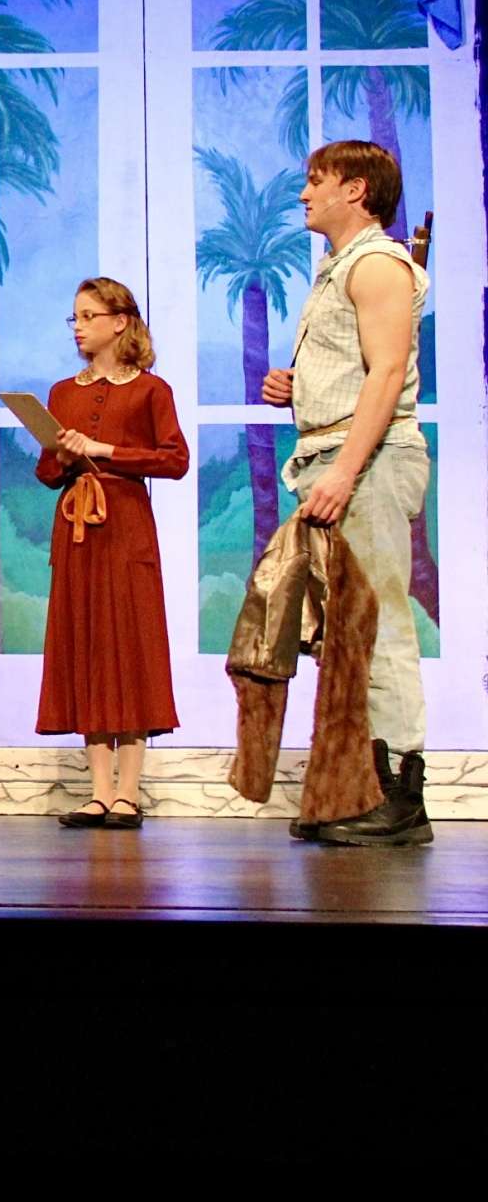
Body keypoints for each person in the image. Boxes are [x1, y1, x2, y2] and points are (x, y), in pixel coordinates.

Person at [260, 140, 432, 846]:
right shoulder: (340, 270)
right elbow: (356, 366)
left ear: (356, 189)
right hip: (334, 452)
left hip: (367, 460)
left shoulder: (379, 265)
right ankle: (358, 786)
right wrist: (296, 388)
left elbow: (388, 374)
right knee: (346, 634)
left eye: (315, 181)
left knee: (380, 620)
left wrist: (344, 469)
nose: (304, 194)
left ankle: (399, 796)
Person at [36, 276, 189, 830]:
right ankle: (98, 790)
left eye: (87, 316)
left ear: (119, 321)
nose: (77, 327)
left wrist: (104, 449)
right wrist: (61, 451)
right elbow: (47, 473)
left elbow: (174, 460)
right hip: (77, 530)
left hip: (126, 530)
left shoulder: (151, 390)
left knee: (130, 646)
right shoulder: (62, 393)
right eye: (73, 318)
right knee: (87, 645)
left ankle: (130, 790)